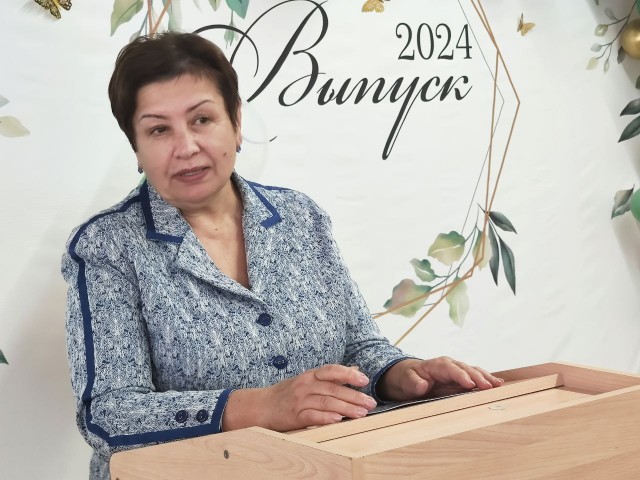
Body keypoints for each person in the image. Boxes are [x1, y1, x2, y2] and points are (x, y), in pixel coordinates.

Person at [61, 32, 503, 480]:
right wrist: (261, 406)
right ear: (136, 146)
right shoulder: (107, 245)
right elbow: (109, 415)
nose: (187, 147)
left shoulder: (299, 216)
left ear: (236, 122)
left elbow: (358, 347)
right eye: (159, 129)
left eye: (202, 120)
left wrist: (401, 375)